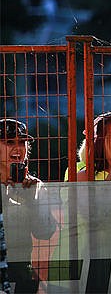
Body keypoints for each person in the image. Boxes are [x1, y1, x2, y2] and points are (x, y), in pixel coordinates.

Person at [0, 119, 58, 292]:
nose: (18, 149)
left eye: (22, 143)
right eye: (9, 142)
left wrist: (31, 199)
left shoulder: (33, 186)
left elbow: (45, 232)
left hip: (20, 275)